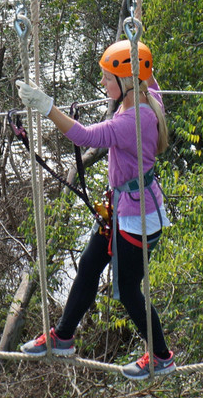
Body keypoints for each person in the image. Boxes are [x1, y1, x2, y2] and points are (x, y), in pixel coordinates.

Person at [16, 39, 175, 380]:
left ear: (127, 81)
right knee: (90, 264)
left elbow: (85, 136)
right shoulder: (149, 96)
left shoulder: (131, 122)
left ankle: (161, 356)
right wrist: (136, 39)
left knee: (127, 289)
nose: (102, 84)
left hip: (137, 218)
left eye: (107, 78)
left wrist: (47, 108)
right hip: (124, 209)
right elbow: (147, 71)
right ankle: (63, 336)